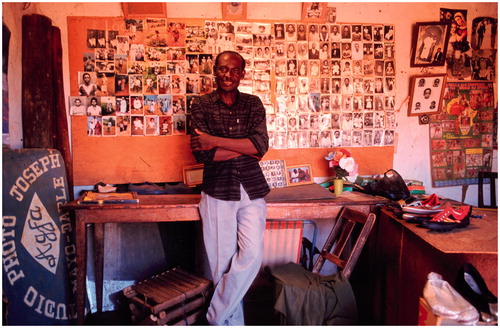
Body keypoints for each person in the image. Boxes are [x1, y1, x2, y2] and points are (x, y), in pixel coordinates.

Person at [190, 51, 270, 326]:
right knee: (221, 265)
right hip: (217, 190)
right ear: (215, 71)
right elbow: (203, 155)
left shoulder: (253, 103)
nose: (228, 75)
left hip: (252, 188)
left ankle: (214, 318)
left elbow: (260, 147)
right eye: (223, 69)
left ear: (242, 74)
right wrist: (243, 147)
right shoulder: (200, 104)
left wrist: (214, 140)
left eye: (235, 70)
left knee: (252, 255)